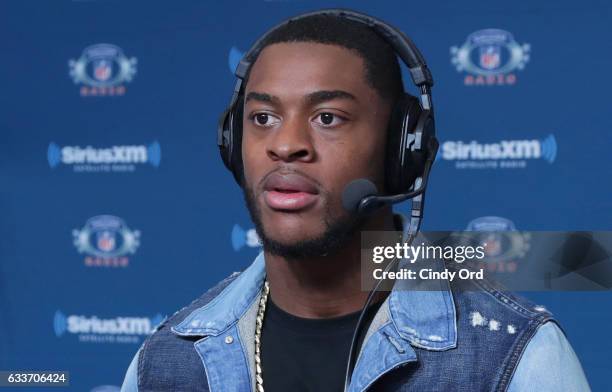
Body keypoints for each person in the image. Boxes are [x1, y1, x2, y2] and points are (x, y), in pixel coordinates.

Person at [121, 9, 590, 392]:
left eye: (327, 117)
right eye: (262, 117)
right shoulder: (165, 364)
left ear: (403, 148)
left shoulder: (513, 357)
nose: (285, 145)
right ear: (231, 142)